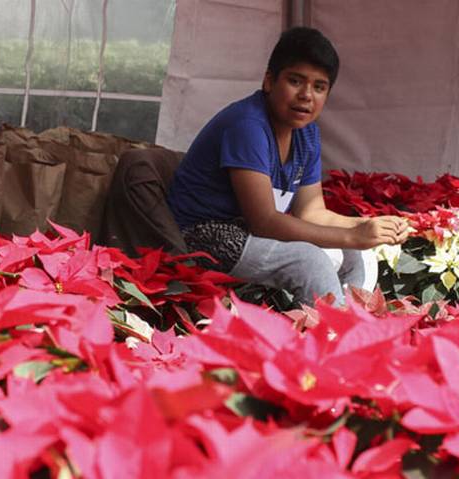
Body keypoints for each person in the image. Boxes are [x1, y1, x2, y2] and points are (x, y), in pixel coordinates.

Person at [166, 27, 408, 306]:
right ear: (269, 81)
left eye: (319, 87)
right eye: (296, 81)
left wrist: (369, 227)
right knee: (310, 263)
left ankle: (345, 325)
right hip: (203, 235)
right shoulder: (247, 125)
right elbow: (265, 221)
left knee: (360, 254)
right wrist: (353, 234)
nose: (307, 95)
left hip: (249, 233)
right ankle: (322, 342)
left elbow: (311, 212)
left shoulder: (307, 133)